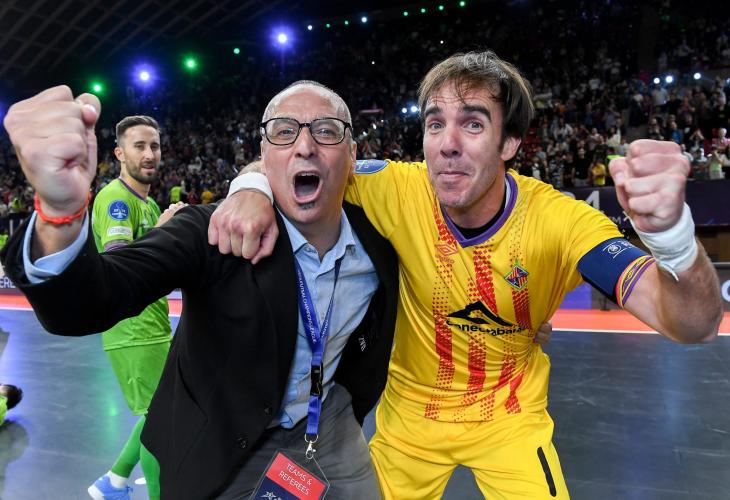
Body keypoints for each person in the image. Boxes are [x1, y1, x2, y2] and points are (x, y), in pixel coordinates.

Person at [211, 51, 723, 499]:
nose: (447, 144)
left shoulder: (561, 223)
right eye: (435, 124)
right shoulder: (396, 189)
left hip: (509, 420)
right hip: (410, 421)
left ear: (510, 142)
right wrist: (250, 189)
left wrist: (674, 238)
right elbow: (299, 163)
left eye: (473, 124)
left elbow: (693, 324)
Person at [0, 82, 400, 499]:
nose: (304, 146)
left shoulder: (381, 241)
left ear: (352, 155)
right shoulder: (212, 231)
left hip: (328, 424)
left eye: (326, 130)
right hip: (224, 440)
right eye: (284, 132)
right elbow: (89, 302)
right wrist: (59, 213)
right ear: (263, 158)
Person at [87, 116, 184, 500]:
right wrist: (164, 231)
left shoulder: (149, 202)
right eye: (139, 146)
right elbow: (119, 262)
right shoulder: (116, 199)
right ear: (119, 153)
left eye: (154, 146)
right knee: (161, 420)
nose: (149, 154)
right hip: (132, 330)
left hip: (152, 325)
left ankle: (114, 481)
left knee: (155, 414)